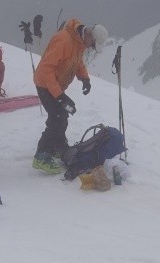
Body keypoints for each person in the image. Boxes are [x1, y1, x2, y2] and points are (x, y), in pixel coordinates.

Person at [31, 19, 108, 173]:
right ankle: (41, 155)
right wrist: (59, 96)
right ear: (89, 35)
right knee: (57, 117)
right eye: (93, 44)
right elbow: (46, 68)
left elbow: (77, 62)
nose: (91, 48)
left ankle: (57, 146)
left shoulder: (79, 43)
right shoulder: (64, 40)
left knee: (63, 113)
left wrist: (84, 78)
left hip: (56, 85)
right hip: (45, 83)